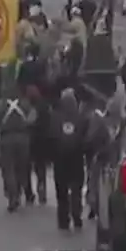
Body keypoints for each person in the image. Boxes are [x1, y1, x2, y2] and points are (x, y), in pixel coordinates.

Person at [50, 88, 90, 230]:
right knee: (76, 189)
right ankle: (76, 215)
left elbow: (51, 137)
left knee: (61, 191)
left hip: (60, 159)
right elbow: (86, 138)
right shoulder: (81, 118)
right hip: (76, 158)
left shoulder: (55, 117)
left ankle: (63, 220)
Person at [0, 86, 37, 212]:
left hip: (7, 139)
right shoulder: (25, 103)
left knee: (8, 168)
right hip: (23, 138)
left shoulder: (1, 105)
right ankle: (19, 189)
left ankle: (13, 195)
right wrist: (26, 124)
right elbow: (34, 116)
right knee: (21, 167)